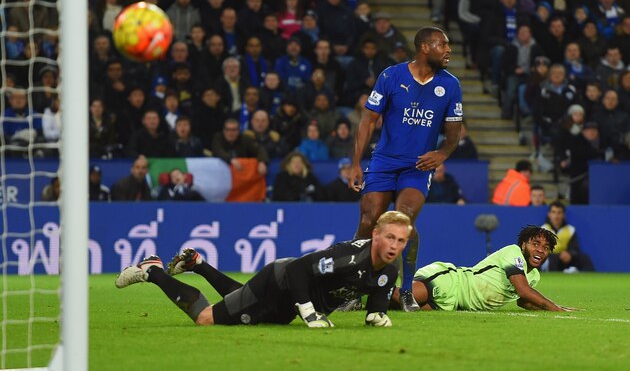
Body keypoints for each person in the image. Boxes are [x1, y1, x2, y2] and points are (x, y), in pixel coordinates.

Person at [115, 211, 411, 328]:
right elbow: (297, 270)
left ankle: (198, 265)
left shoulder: (388, 270)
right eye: (389, 237)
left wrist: (377, 315)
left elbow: (377, 303)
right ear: (375, 235)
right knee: (207, 319)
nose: (394, 245)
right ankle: (153, 270)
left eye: (400, 240)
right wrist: (309, 312)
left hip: (289, 301)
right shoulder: (350, 258)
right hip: (281, 283)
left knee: (247, 302)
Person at [348, 26, 463, 312]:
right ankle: (351, 289)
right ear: (425, 47)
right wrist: (355, 164)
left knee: (404, 219)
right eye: (443, 45)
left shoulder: (450, 84)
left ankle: (407, 289)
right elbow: (367, 120)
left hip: (417, 166)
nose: (449, 50)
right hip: (384, 162)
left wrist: (442, 153)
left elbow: (453, 132)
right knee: (368, 219)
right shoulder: (391, 76)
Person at [390, 225, 577, 312]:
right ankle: (367, 283)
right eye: (535, 244)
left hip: (456, 302)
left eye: (546, 248)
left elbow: (523, 301)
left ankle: (364, 297)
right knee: (403, 298)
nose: (540, 250)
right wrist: (555, 308)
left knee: (396, 307)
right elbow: (523, 291)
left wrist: (550, 308)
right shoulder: (513, 252)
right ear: (522, 245)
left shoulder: (534, 275)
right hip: (451, 282)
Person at [541, 201, 595, 272]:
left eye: (559, 213)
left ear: (563, 215)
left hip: (565, 257)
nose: (556, 216)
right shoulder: (543, 230)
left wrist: (570, 254)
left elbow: (575, 248)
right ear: (549, 214)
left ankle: (586, 277)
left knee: (585, 258)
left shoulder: (570, 229)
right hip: (551, 258)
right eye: (553, 212)